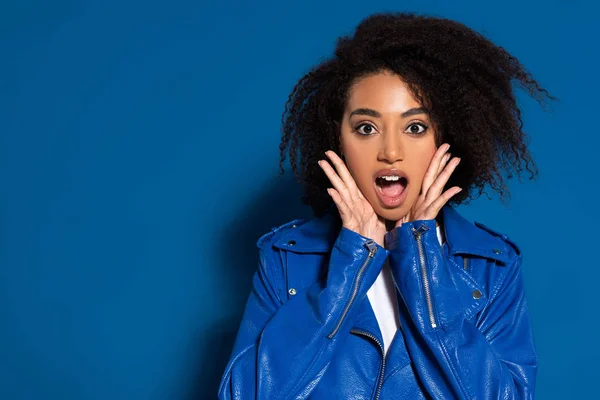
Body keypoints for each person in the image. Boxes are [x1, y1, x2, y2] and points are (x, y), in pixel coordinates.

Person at [218, 11, 553, 399]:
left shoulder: (491, 266)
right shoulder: (287, 257)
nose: (390, 152)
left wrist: (422, 259)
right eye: (366, 128)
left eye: (415, 127)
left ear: (446, 139)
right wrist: (352, 262)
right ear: (337, 140)